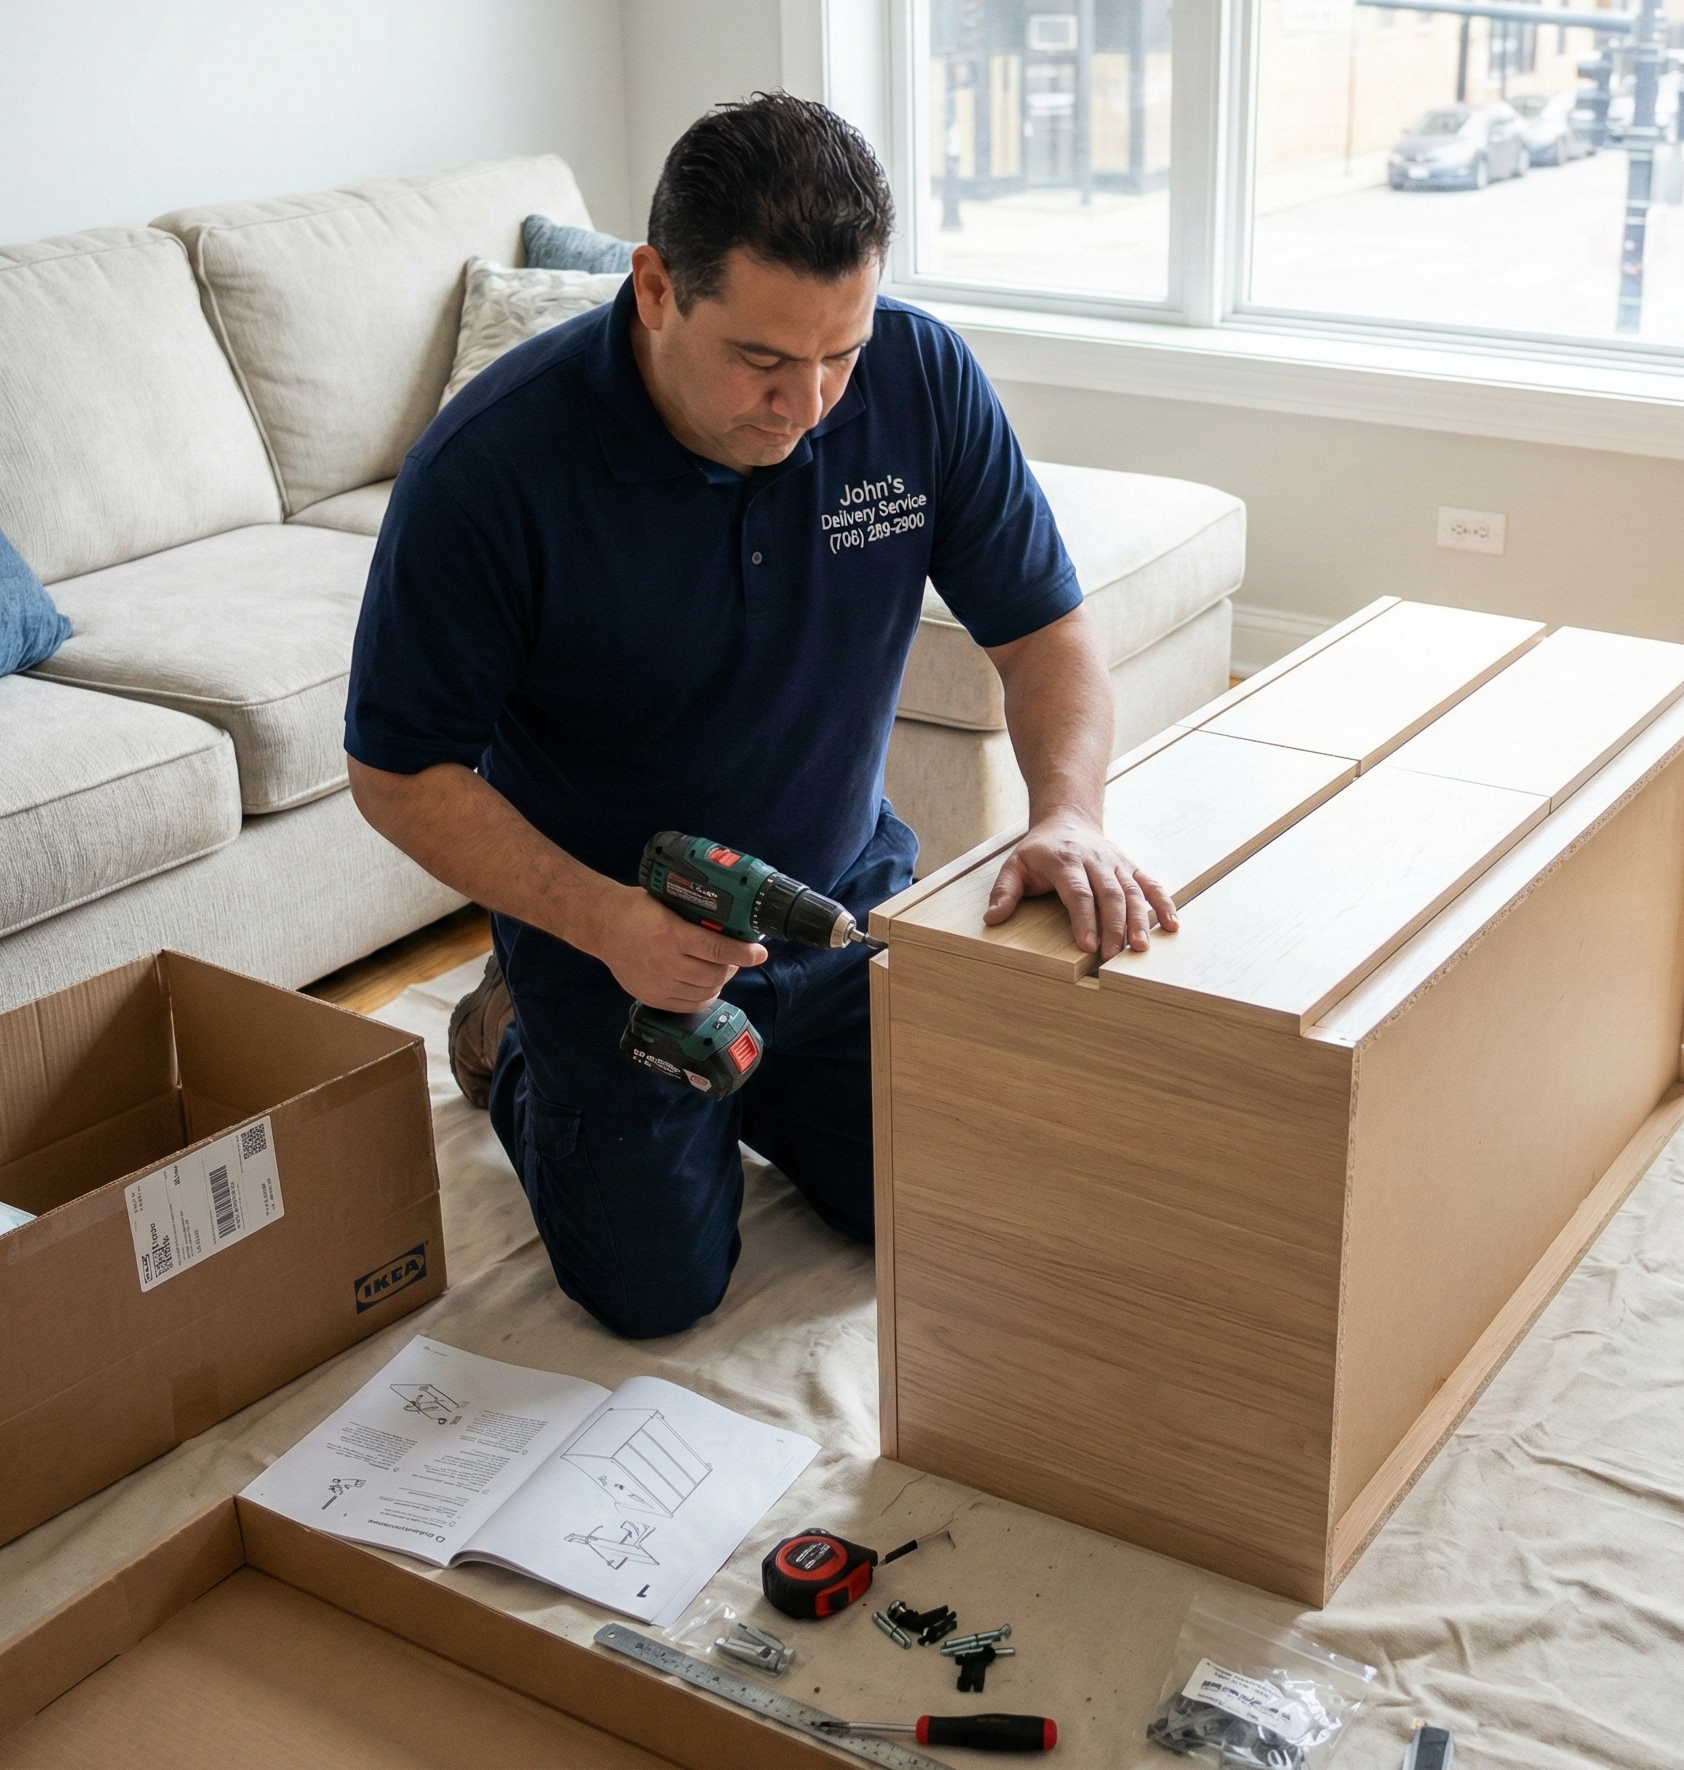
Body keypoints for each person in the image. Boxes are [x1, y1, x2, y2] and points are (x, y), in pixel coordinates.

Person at [344, 93, 1176, 1338]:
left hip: (837, 902)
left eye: (838, 353)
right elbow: (396, 770)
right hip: (612, 936)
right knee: (651, 1290)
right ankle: (512, 1028)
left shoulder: (918, 376)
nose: (809, 406)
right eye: (763, 360)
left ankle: (767, 1077)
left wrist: (1066, 813)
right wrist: (601, 924)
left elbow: (1046, 632)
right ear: (655, 287)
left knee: (951, 1202)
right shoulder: (491, 471)